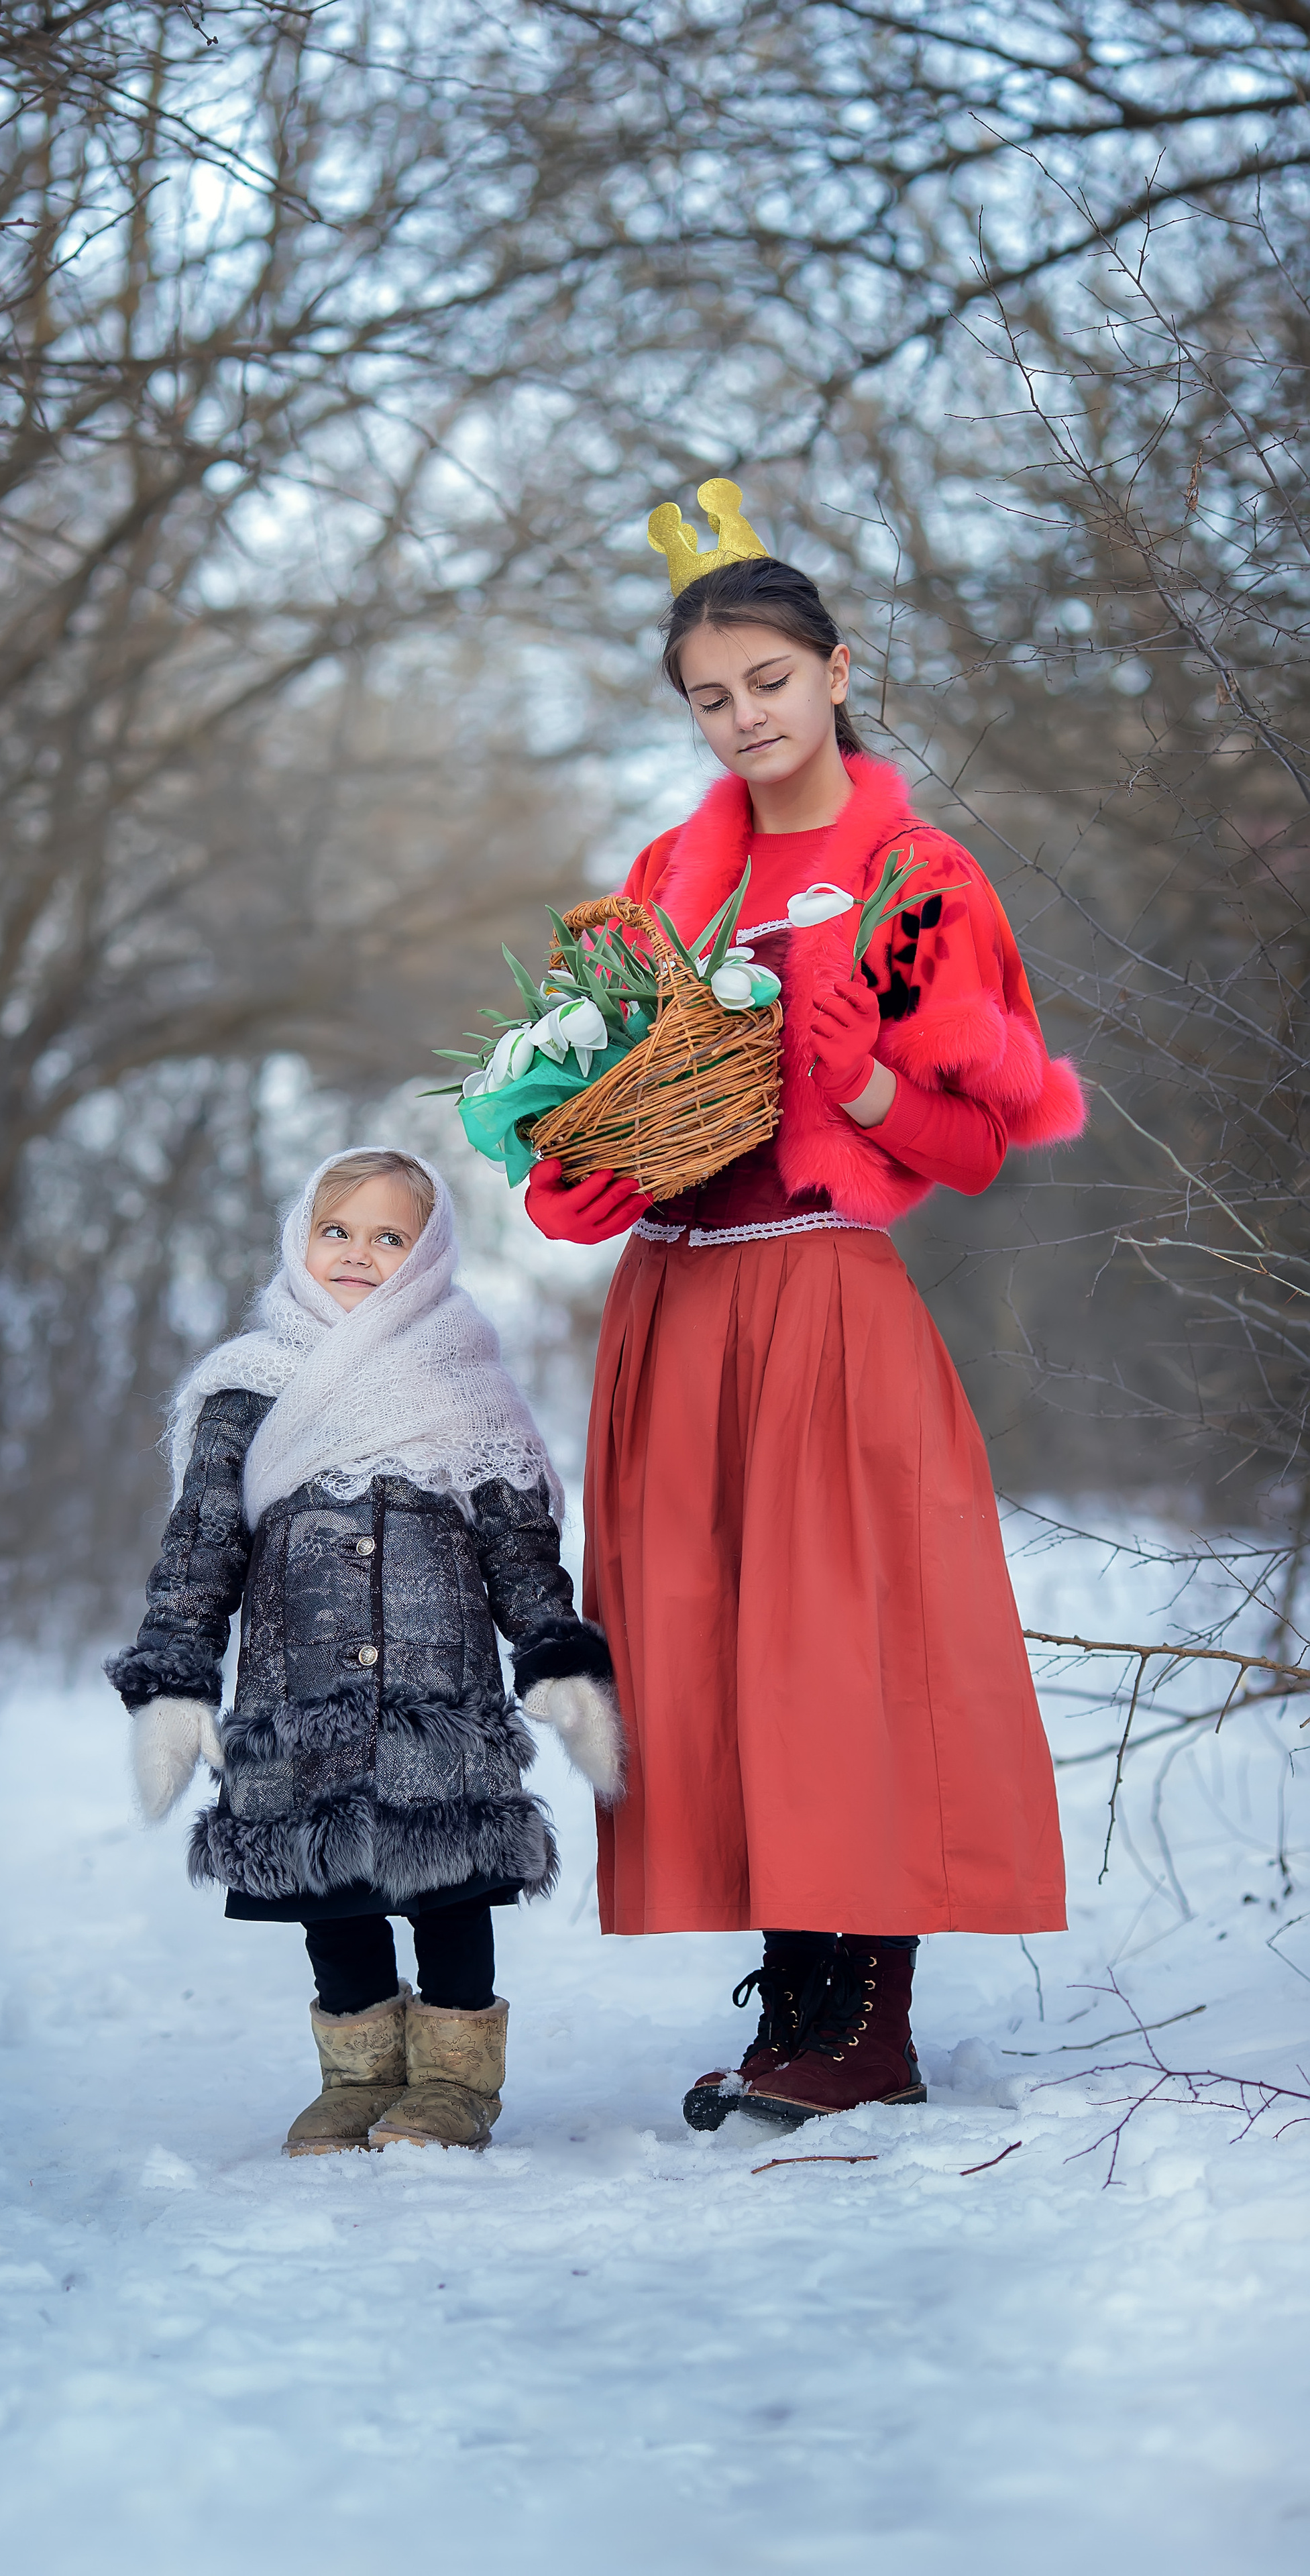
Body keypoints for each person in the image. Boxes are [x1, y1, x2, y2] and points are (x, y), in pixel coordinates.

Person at [524, 488, 1083, 2129]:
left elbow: (974, 1142)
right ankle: (796, 2004)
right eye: (708, 697)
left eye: (766, 680)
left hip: (818, 1289)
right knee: (713, 1658)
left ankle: (861, 2026)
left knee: (837, 1652)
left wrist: (856, 1076)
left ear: (836, 672)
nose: (742, 716)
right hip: (677, 1301)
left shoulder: (912, 878)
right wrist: (582, 1148)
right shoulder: (662, 876)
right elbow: (601, 1088)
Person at [107, 1148, 622, 2156]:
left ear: (428, 1257)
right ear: (299, 1238)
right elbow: (202, 1544)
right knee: (330, 1897)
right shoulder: (246, 1390)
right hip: (296, 1701)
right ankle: (358, 2082)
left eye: (391, 1237)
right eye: (336, 1231)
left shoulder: (464, 1385)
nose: (358, 1253)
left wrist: (555, 1655)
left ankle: (453, 2085)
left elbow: (518, 1545)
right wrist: (174, 1678)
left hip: (440, 1700)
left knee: (449, 1892)